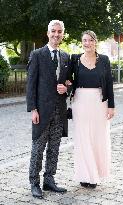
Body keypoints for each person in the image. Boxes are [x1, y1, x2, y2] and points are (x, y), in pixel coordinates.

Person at [26, 20, 70, 198]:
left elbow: (70, 82)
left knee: (54, 147)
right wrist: (33, 109)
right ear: (48, 33)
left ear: (62, 34)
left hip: (60, 111)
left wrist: (67, 88)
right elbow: (30, 85)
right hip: (42, 112)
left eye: (59, 31)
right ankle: (34, 183)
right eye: (53, 31)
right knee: (38, 147)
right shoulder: (37, 54)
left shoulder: (65, 56)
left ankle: (49, 180)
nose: (56, 34)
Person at [69, 30, 115, 188]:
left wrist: (111, 106)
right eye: (84, 40)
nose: (87, 43)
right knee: (82, 139)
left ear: (95, 42)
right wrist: (67, 85)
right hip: (80, 102)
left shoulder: (104, 60)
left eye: (90, 40)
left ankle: (95, 174)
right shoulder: (74, 59)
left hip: (98, 103)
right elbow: (68, 80)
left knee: (97, 139)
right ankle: (84, 175)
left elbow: (109, 83)